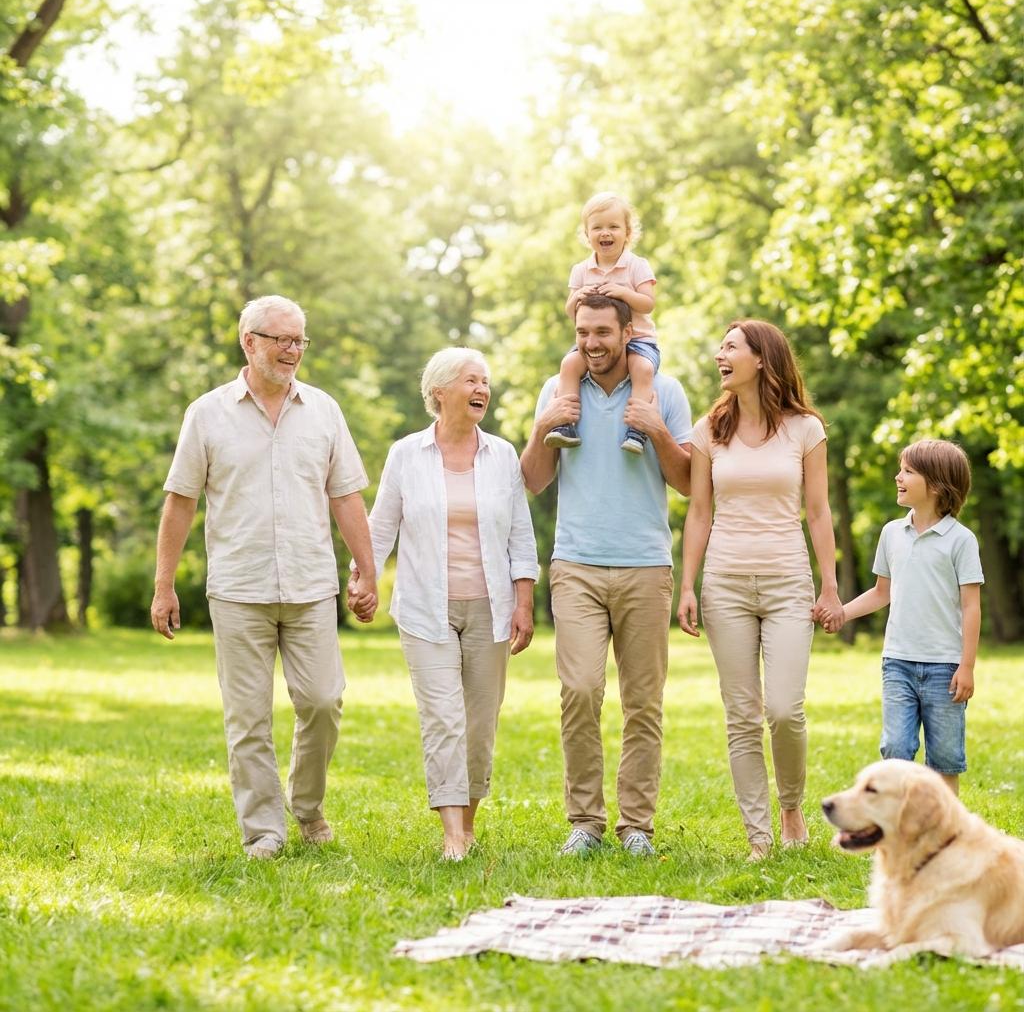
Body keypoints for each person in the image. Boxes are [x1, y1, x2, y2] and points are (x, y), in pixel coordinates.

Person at [150, 295, 378, 860]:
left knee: (324, 701)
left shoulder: (324, 410)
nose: (292, 350)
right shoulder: (206, 414)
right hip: (239, 588)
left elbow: (346, 496)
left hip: (310, 585)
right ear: (248, 342)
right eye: (281, 339)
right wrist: (164, 585)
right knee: (248, 718)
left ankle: (306, 805)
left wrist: (369, 571)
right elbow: (180, 502)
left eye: (299, 340)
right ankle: (264, 831)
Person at [521, 293, 692, 857]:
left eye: (602, 333)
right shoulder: (558, 389)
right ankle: (586, 823)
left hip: (646, 565)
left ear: (627, 334)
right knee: (580, 690)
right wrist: (544, 424)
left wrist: (657, 431)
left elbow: (689, 482)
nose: (592, 343)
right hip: (577, 564)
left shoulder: (664, 392)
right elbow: (533, 480)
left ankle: (637, 826)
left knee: (643, 701)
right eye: (582, 333)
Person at [355, 347, 538, 861]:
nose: (482, 389)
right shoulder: (406, 454)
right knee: (443, 718)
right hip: (424, 607)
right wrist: (363, 579)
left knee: (481, 723)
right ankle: (452, 833)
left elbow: (520, 535)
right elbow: (381, 525)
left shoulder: (501, 455)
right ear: (439, 392)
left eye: (485, 381)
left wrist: (523, 601)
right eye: (470, 381)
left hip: (491, 607)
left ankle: (470, 820)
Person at [677, 319, 843, 861]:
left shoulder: (804, 429)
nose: (720, 355)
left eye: (730, 347)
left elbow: (817, 511)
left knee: (784, 710)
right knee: (742, 713)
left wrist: (831, 585)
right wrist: (688, 584)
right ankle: (759, 836)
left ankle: (790, 805)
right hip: (724, 583)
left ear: (762, 359)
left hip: (787, 582)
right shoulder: (710, 430)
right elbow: (698, 513)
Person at [823, 439, 983, 795]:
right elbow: (882, 593)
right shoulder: (892, 533)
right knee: (895, 750)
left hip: (945, 667)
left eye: (908, 471)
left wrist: (967, 665)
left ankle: (944, 835)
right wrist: (841, 613)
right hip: (897, 663)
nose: (898, 476)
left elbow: (971, 605)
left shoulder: (961, 540)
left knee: (944, 758)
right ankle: (896, 832)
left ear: (938, 484)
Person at [544, 191, 659, 455]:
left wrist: (623, 293)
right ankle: (566, 424)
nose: (605, 233)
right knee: (569, 364)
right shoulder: (581, 270)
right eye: (597, 228)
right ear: (587, 234)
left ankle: (637, 429)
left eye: (613, 227)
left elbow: (648, 303)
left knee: (641, 369)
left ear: (627, 233)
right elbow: (571, 312)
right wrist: (577, 299)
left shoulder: (636, 265)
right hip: (599, 343)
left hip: (639, 340)